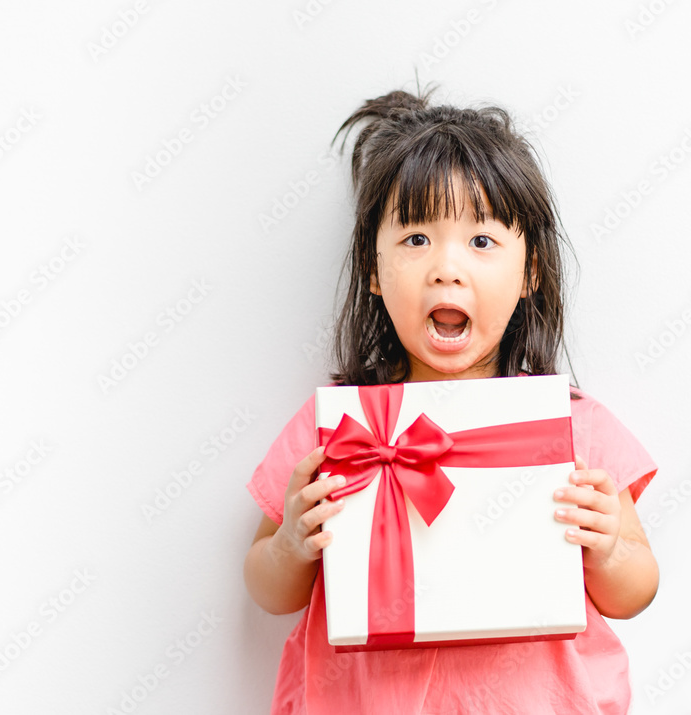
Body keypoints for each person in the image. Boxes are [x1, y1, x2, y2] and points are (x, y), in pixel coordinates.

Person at [242, 84, 659, 714]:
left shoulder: (576, 428)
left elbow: (635, 591)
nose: (446, 267)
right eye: (416, 239)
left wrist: (606, 547)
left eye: (482, 241)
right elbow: (268, 588)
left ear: (532, 273)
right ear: (374, 272)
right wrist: (290, 547)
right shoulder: (340, 429)